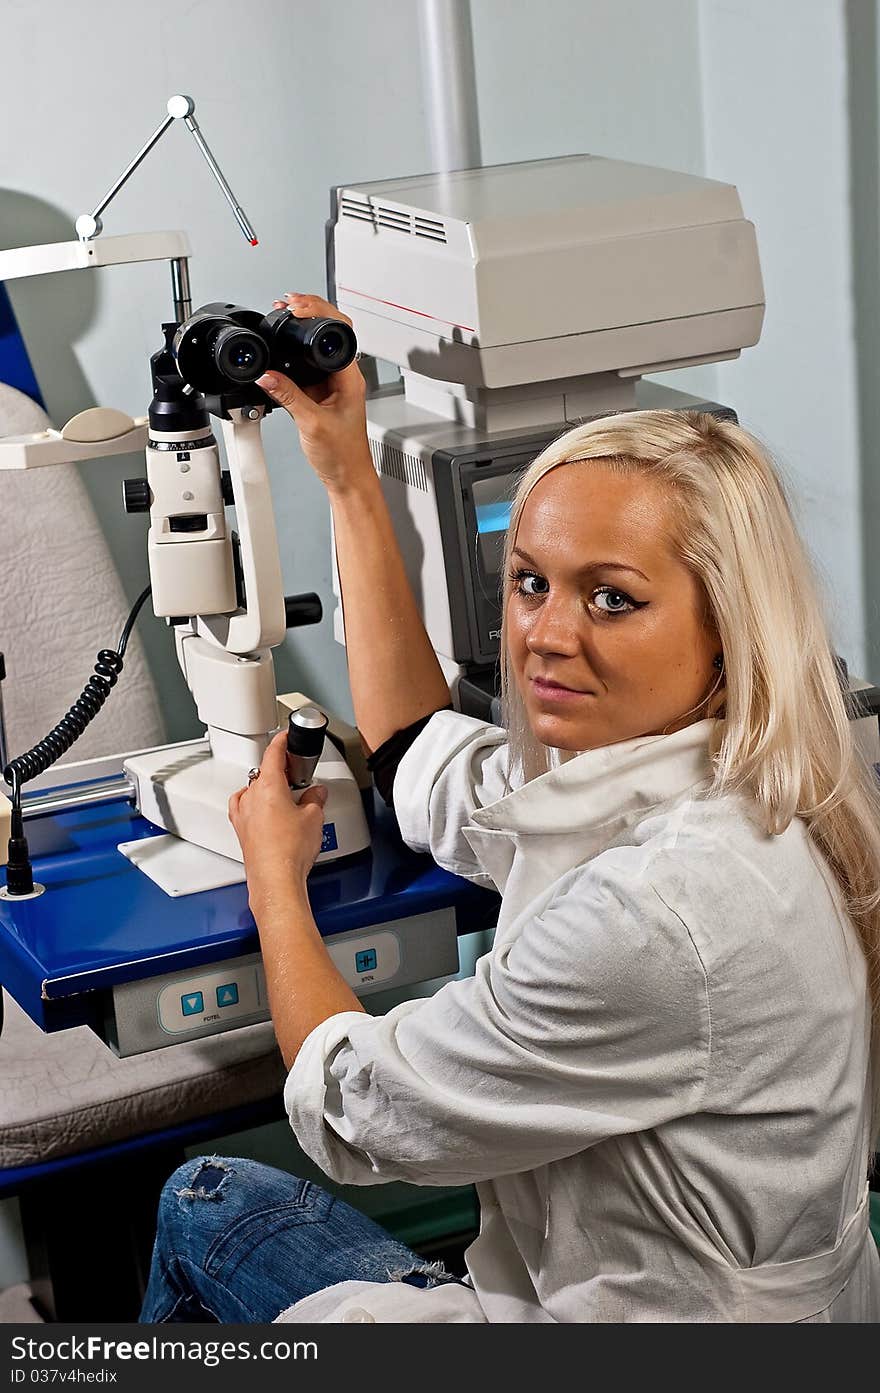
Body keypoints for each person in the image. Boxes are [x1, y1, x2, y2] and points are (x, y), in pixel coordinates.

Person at [140, 292, 880, 1324]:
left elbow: (360, 1109)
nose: (545, 634)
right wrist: (347, 471)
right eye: (530, 582)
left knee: (201, 1198)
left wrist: (276, 881)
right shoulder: (751, 771)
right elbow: (412, 755)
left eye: (611, 597)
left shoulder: (661, 909)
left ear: (727, 626)